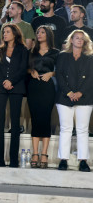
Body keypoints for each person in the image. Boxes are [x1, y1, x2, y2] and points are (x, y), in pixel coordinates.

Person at [56, 30, 93, 172]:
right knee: (65, 129)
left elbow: (91, 78)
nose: (79, 40)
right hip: (65, 98)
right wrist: (69, 92)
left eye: (81, 39)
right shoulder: (62, 56)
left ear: (85, 42)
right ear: (71, 40)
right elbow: (59, 75)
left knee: (82, 130)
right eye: (76, 38)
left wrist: (80, 92)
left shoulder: (90, 58)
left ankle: (83, 161)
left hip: (85, 98)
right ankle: (63, 160)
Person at [0, 23, 28, 167]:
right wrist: (4, 82)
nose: (4, 34)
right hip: (1, 88)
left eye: (7, 31)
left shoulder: (23, 49)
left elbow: (23, 69)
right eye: (3, 32)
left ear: (15, 33)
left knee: (15, 124)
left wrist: (11, 81)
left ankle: (14, 160)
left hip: (16, 87)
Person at [27, 26, 59, 169]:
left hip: (48, 87)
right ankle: (35, 153)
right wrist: (31, 71)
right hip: (33, 86)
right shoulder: (31, 52)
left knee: (45, 118)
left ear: (49, 35)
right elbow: (25, 67)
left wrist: (51, 74)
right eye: (38, 32)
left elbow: (61, 70)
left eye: (42, 32)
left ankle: (44, 154)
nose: (39, 34)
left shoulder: (56, 53)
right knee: (34, 118)